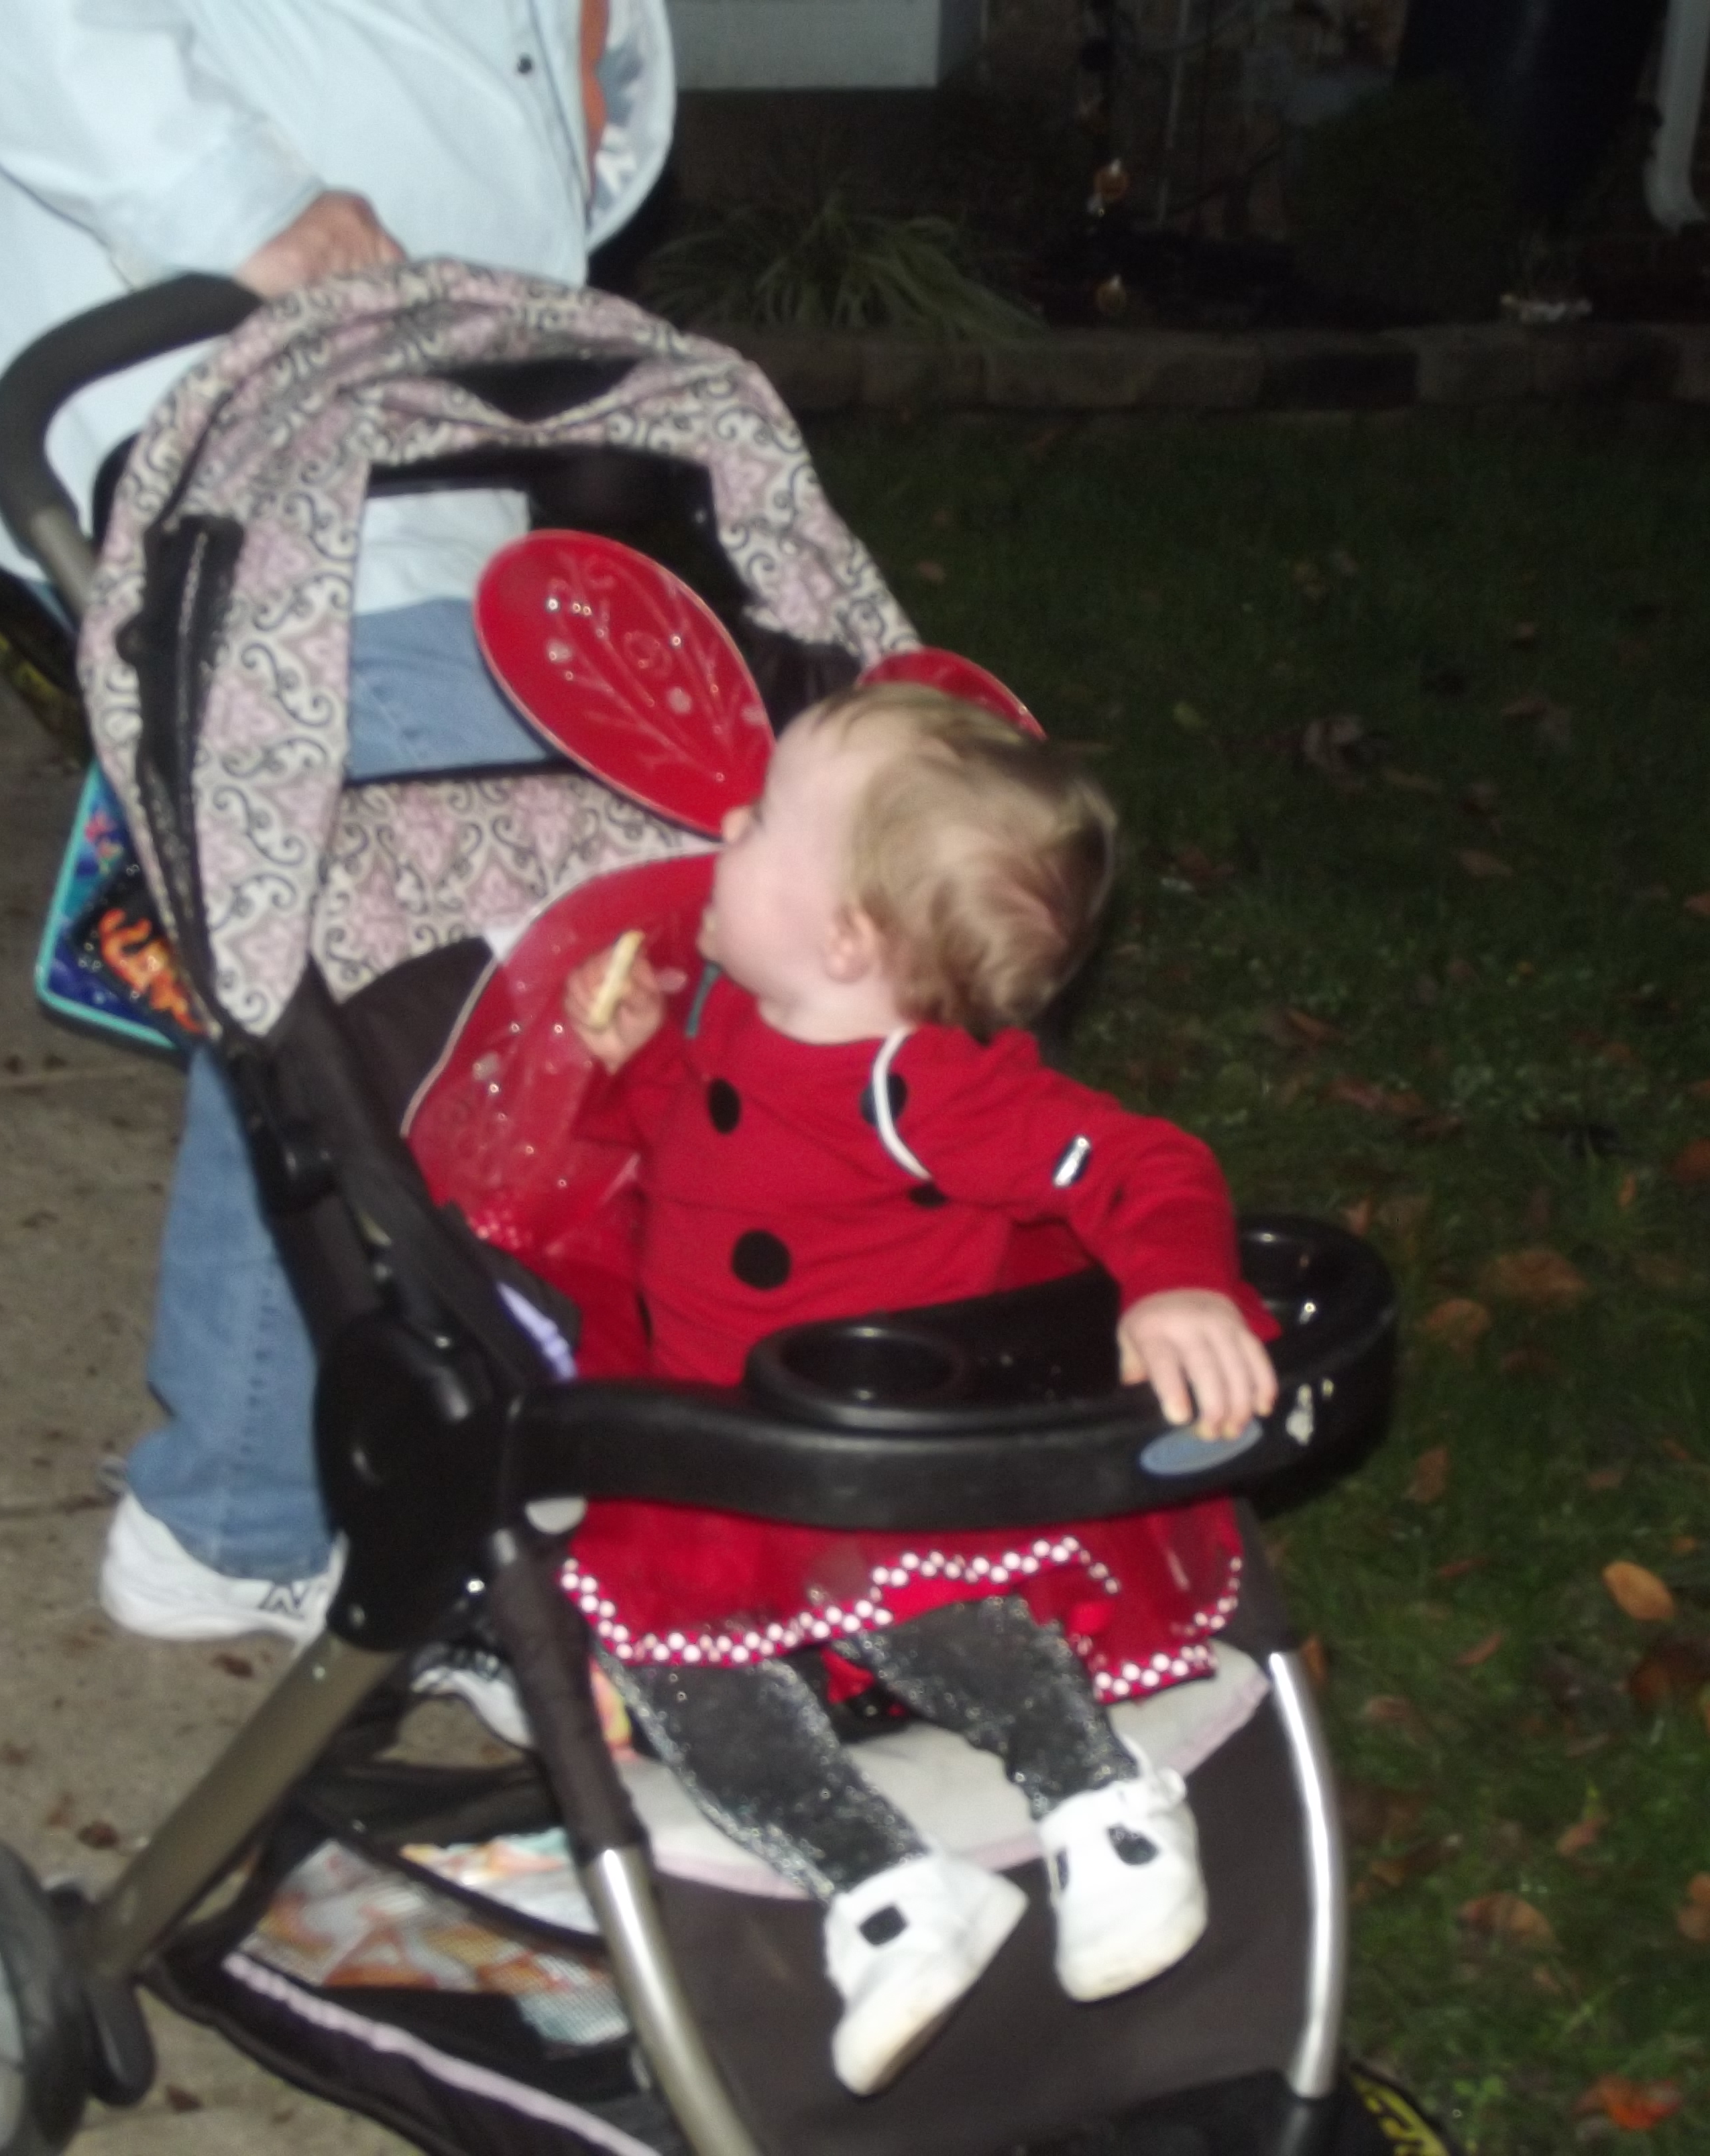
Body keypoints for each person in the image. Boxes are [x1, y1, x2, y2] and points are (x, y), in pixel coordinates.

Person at [0, 3, 679, 1642]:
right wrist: (238, 202)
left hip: (394, 430)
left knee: (412, 902)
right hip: (198, 377)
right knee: (405, 912)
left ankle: (362, 1461)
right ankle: (246, 1516)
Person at [554, 682, 1279, 2096]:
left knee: (933, 1611)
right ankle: (888, 1891)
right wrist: (640, 1065)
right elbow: (702, 1169)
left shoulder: (926, 1090)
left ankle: (1105, 1807)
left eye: (759, 822)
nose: (723, 823)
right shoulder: (744, 1010)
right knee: (679, 1667)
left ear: (845, 938)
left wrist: (1177, 1280)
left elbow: (1140, 1164)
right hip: (715, 1450)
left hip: (877, 1463)